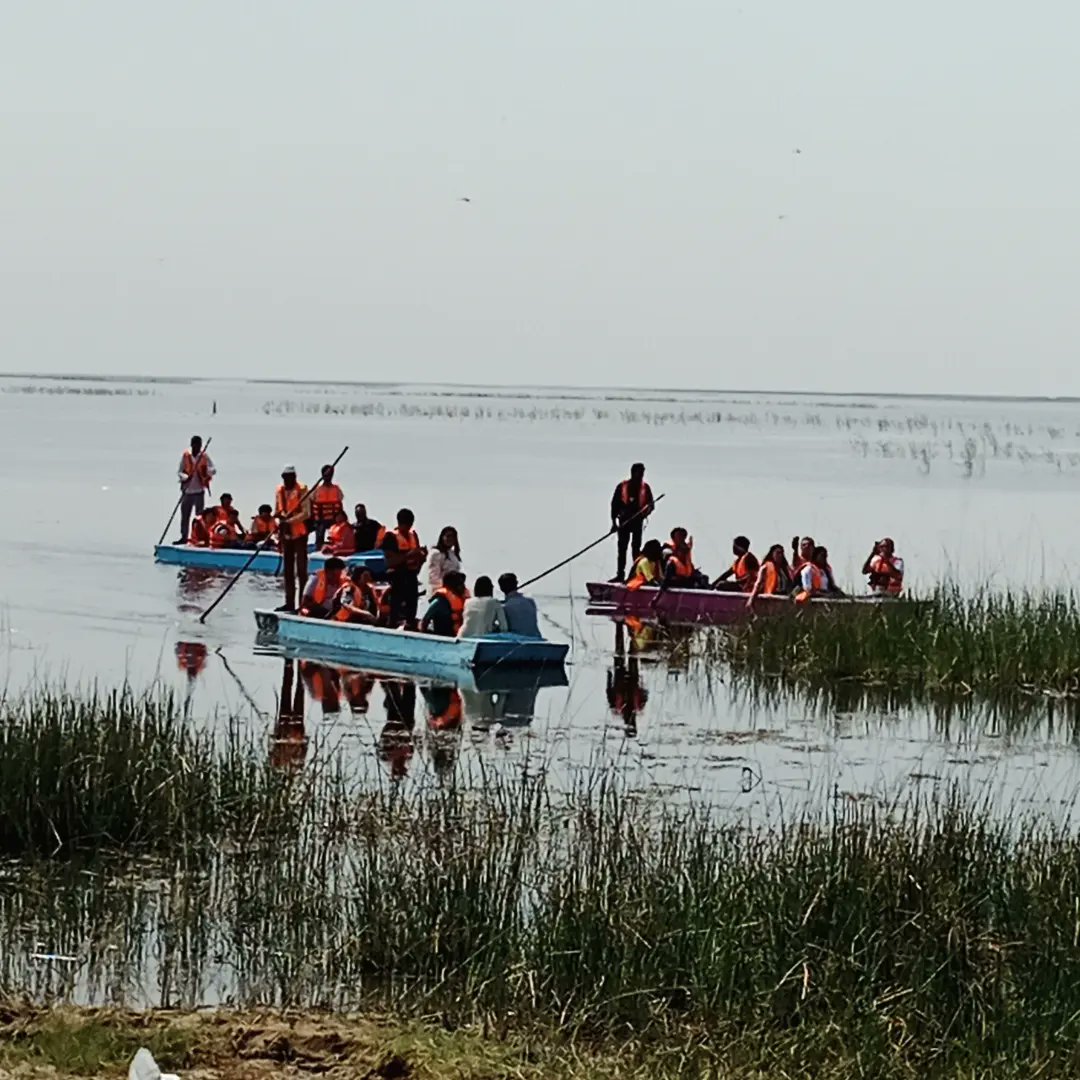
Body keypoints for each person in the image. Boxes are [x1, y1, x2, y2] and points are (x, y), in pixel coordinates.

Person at [275, 465, 312, 613]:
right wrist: (280, 523)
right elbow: (277, 511)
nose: (287, 480)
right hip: (285, 535)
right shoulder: (279, 491)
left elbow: (306, 513)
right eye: (285, 477)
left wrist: (290, 521)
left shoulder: (302, 490)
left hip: (300, 534)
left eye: (290, 477)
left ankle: (302, 603)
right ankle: (289, 602)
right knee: (288, 570)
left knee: (302, 571)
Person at [609, 463, 655, 582]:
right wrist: (614, 523)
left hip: (637, 522)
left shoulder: (645, 487)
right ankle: (620, 575)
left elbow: (651, 505)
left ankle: (635, 574)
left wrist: (645, 512)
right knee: (622, 548)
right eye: (639, 473)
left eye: (642, 473)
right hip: (624, 522)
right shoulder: (622, 486)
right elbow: (614, 505)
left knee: (636, 548)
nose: (641, 476)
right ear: (633, 473)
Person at [382, 509, 427, 627]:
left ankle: (410, 626)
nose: (407, 527)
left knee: (412, 606)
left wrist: (422, 556)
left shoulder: (413, 536)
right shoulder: (391, 536)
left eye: (409, 524)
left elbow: (418, 559)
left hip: (412, 575)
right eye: (405, 524)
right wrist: (408, 555)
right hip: (396, 576)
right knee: (395, 608)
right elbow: (389, 562)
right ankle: (391, 626)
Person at [176, 435, 216, 543]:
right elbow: (180, 471)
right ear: (192, 445)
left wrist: (206, 471)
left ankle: (199, 537)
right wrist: (185, 477)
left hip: (199, 491)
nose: (197, 448)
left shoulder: (204, 456)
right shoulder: (186, 456)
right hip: (187, 491)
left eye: (199, 445)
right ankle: (184, 537)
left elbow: (213, 469)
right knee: (185, 516)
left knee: (199, 517)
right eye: (195, 445)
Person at [420, 570, 469, 637]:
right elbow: (425, 621)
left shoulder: (465, 601)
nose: (463, 587)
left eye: (463, 584)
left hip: (459, 636)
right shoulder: (439, 602)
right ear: (451, 586)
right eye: (459, 584)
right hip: (443, 636)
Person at [311, 464, 346, 549]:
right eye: (327, 474)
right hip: (320, 519)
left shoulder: (337, 489)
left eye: (331, 474)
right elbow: (311, 505)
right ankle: (318, 548)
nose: (329, 476)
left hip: (334, 519)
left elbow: (340, 505)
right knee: (319, 532)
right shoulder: (316, 490)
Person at [498, 573, 541, 638]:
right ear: (517, 583)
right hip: (536, 638)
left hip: (517, 640)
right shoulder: (530, 601)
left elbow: (503, 628)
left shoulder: (504, 607)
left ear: (501, 588)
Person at [428, 526, 463, 591]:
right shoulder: (436, 553)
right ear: (442, 537)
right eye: (448, 536)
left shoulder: (453, 555)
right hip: (441, 591)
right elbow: (434, 576)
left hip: (454, 589)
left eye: (453, 537)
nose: (450, 539)